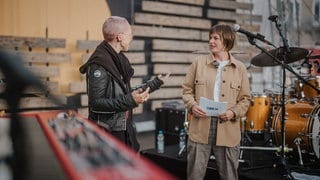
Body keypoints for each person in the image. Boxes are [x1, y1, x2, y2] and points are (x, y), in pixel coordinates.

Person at [79, 16, 168, 152]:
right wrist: (131, 100)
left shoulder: (117, 60)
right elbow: (96, 104)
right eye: (130, 34)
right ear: (119, 37)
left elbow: (123, 94)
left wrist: (155, 83)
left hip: (122, 127)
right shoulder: (99, 65)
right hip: (110, 132)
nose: (131, 38)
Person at [182, 24, 251, 180]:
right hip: (200, 127)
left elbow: (245, 99)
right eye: (210, 38)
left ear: (226, 40)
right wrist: (192, 105)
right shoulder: (198, 63)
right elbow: (186, 91)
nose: (211, 41)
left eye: (215, 38)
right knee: (195, 175)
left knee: (229, 176)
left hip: (228, 129)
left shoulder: (240, 68)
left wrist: (233, 112)